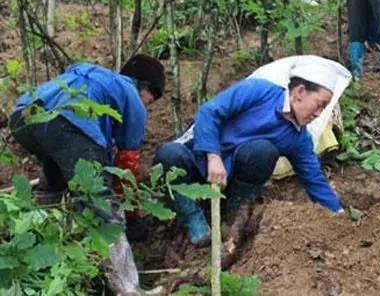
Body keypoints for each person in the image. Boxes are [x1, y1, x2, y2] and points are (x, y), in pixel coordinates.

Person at [9, 54, 166, 296]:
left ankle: (40, 266)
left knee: (54, 189)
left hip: (25, 115)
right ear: (144, 87)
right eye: (151, 100)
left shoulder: (92, 76)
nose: (147, 105)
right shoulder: (131, 94)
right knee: (99, 200)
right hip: (70, 121)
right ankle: (128, 287)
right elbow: (127, 161)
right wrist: (132, 214)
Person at [154, 59, 345, 257]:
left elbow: (313, 178)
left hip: (229, 177)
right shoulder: (259, 91)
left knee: (263, 151)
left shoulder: (299, 138)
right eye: (319, 105)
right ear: (300, 92)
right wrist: (213, 156)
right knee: (168, 154)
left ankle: (233, 209)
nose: (318, 113)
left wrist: (337, 212)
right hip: (198, 159)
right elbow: (209, 112)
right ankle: (193, 218)